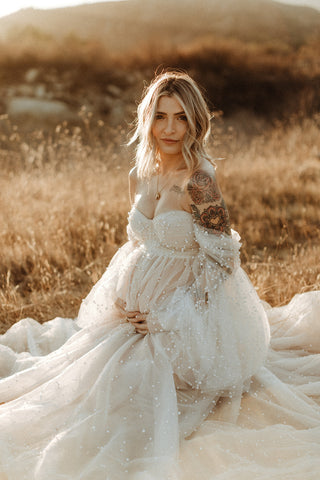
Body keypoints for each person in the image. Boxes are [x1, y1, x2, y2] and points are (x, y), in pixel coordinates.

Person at [0, 71, 319, 480]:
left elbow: (223, 260)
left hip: (184, 322)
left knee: (127, 399)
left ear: (195, 122)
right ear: (147, 120)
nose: (170, 128)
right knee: (80, 385)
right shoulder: (138, 176)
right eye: (161, 116)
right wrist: (122, 290)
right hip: (131, 319)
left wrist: (172, 316)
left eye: (181, 117)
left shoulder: (200, 181)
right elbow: (140, 244)